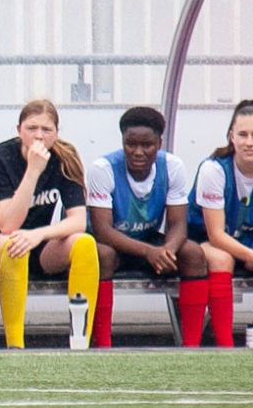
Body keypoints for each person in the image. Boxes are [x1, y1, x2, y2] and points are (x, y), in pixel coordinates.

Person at [0, 99, 98, 349]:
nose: (39, 136)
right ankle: (16, 344)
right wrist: (33, 171)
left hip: (38, 240)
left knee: (85, 243)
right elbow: (7, 224)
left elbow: (78, 221)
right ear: (19, 130)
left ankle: (80, 340)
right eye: (31, 128)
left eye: (46, 130)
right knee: (14, 243)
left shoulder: (65, 157)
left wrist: (38, 234)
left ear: (56, 133)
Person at [86, 106, 219, 347]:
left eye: (146, 145)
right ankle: (102, 345)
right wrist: (150, 252)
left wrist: (166, 250)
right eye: (130, 144)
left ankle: (192, 346)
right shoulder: (103, 168)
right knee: (101, 255)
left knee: (193, 253)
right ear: (122, 141)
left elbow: (179, 224)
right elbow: (102, 230)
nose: (137, 152)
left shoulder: (172, 166)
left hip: (150, 242)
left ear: (159, 142)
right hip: (113, 245)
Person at [183, 100, 253, 347]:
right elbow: (215, 235)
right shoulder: (214, 169)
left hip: (246, 244)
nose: (249, 142)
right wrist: (249, 254)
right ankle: (224, 344)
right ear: (231, 136)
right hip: (204, 240)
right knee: (221, 257)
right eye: (243, 134)